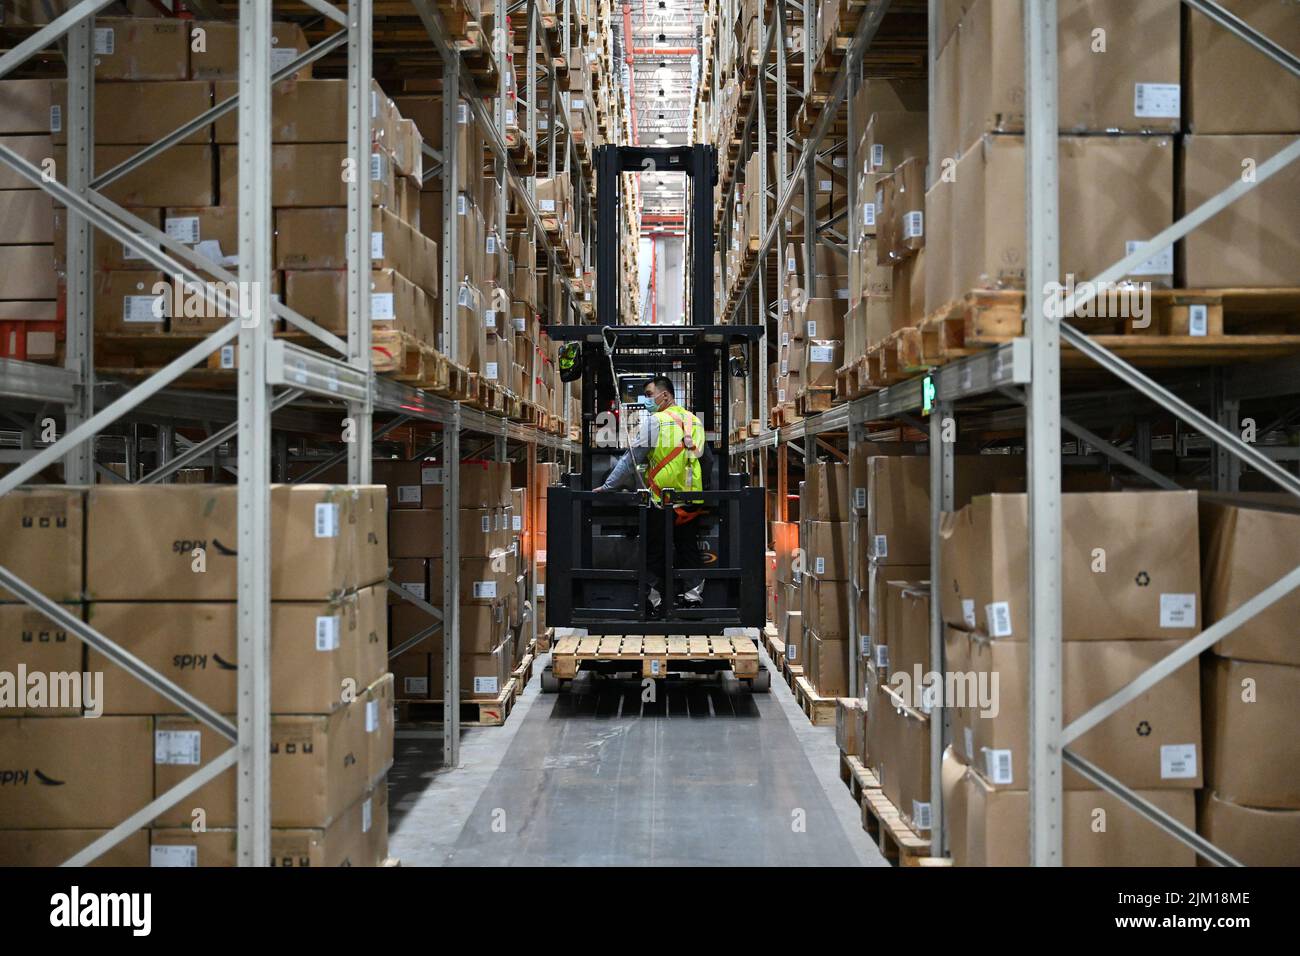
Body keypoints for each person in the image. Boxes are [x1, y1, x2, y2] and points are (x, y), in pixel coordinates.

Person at [594, 375, 713, 613]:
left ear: (665, 395)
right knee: (688, 548)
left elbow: (632, 457)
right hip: (690, 502)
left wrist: (609, 486)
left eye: (649, 395)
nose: (646, 400)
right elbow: (706, 460)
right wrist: (703, 493)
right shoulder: (693, 421)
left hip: (661, 500)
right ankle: (692, 599)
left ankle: (654, 601)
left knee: (654, 550)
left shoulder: (655, 421)